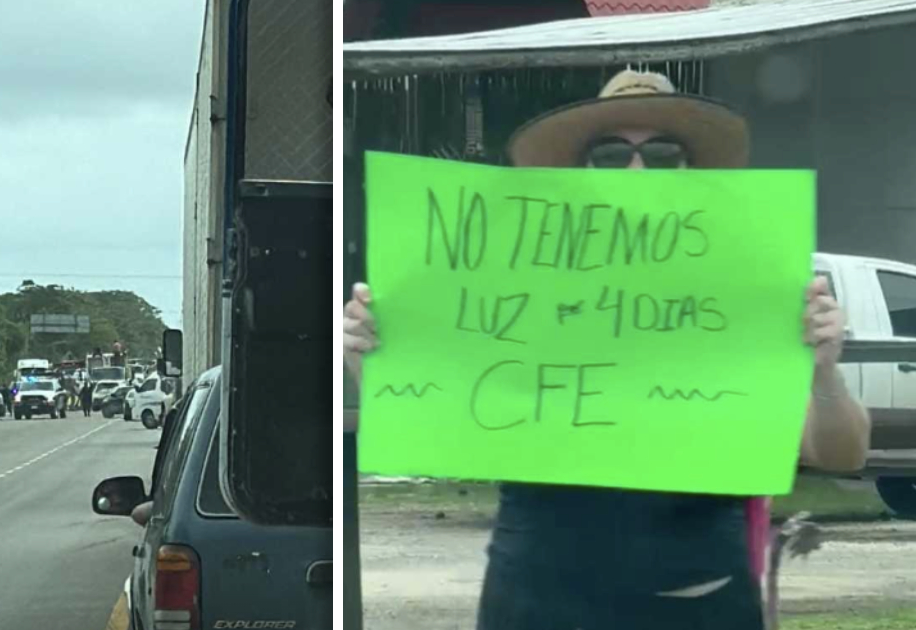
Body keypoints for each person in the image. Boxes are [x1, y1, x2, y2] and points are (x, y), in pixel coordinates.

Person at [343, 70, 871, 630]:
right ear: (580, 171)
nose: (637, 169)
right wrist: (369, 362)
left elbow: (841, 454)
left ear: (692, 172)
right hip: (536, 598)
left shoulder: (753, 291)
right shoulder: (518, 284)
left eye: (665, 153)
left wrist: (824, 375)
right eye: (611, 153)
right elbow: (442, 417)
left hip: (698, 598)